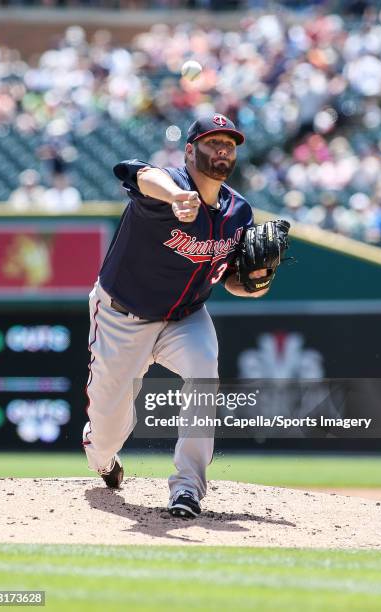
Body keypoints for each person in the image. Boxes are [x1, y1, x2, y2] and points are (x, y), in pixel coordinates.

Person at [82, 113, 270, 518]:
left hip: (185, 318)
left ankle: (188, 489)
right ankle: (102, 457)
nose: (222, 150)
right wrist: (174, 196)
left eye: (230, 144)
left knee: (204, 372)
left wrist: (255, 282)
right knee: (108, 425)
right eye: (211, 142)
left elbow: (233, 281)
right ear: (189, 150)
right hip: (122, 316)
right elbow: (139, 174)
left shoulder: (239, 212)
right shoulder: (165, 188)